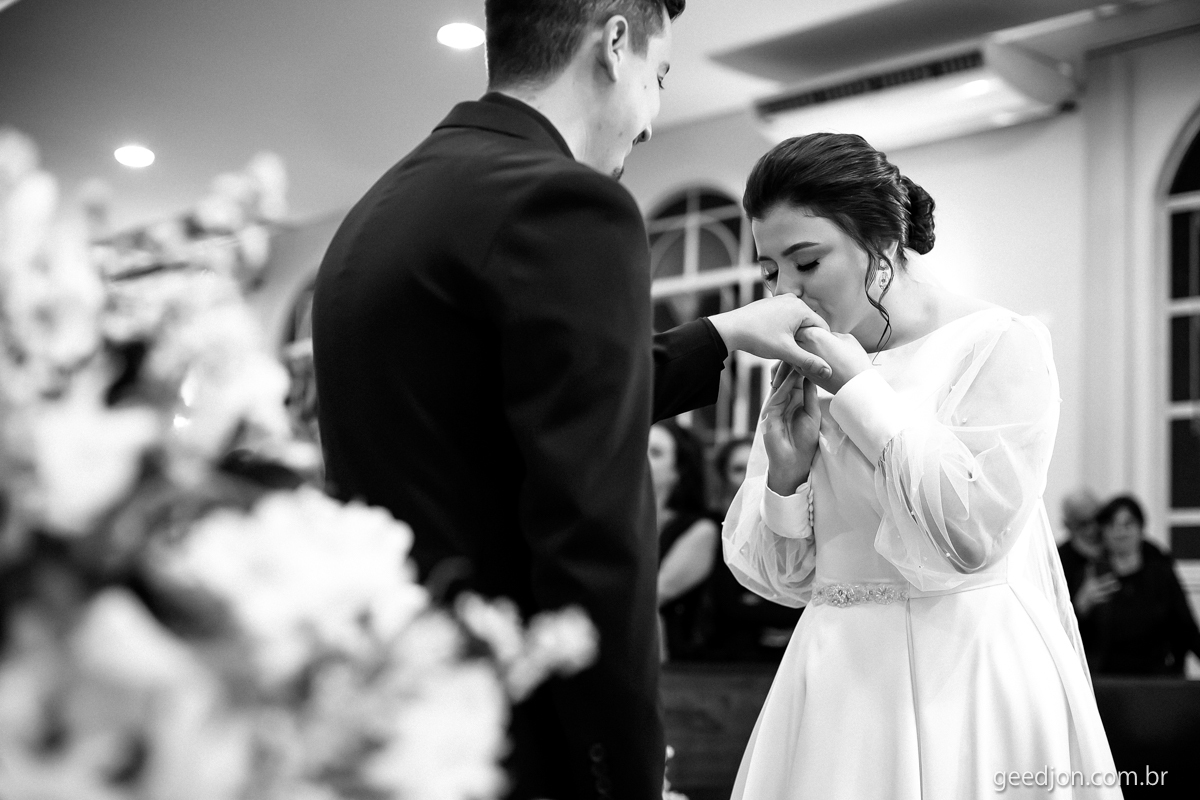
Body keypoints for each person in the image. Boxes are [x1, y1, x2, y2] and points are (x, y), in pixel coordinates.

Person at [311, 3, 832, 798]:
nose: (651, 120)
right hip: (518, 730)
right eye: (660, 76)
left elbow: (517, 402)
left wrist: (720, 335)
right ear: (615, 44)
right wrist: (622, 770)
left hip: (398, 719)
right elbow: (594, 529)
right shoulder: (563, 203)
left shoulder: (381, 209)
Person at [722, 133, 1120, 799]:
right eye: (769, 272)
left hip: (965, 669)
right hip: (836, 676)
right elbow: (783, 579)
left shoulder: (998, 343)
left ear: (880, 244)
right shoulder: (806, 369)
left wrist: (862, 392)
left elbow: (972, 536)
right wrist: (785, 478)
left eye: (807, 262)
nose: (786, 292)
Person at [1079, 494, 1200, 675]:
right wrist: (1081, 605)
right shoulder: (1091, 575)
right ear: (1102, 531)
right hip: (1106, 678)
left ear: (1141, 528)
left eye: (1128, 524)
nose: (1120, 532)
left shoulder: (1160, 574)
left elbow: (1186, 627)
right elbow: (1071, 634)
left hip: (1157, 676)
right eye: (1111, 525)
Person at [649, 420, 718, 661]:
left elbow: (650, 595)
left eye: (655, 452)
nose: (642, 458)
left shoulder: (700, 530)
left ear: (678, 470)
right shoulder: (613, 520)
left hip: (674, 662)